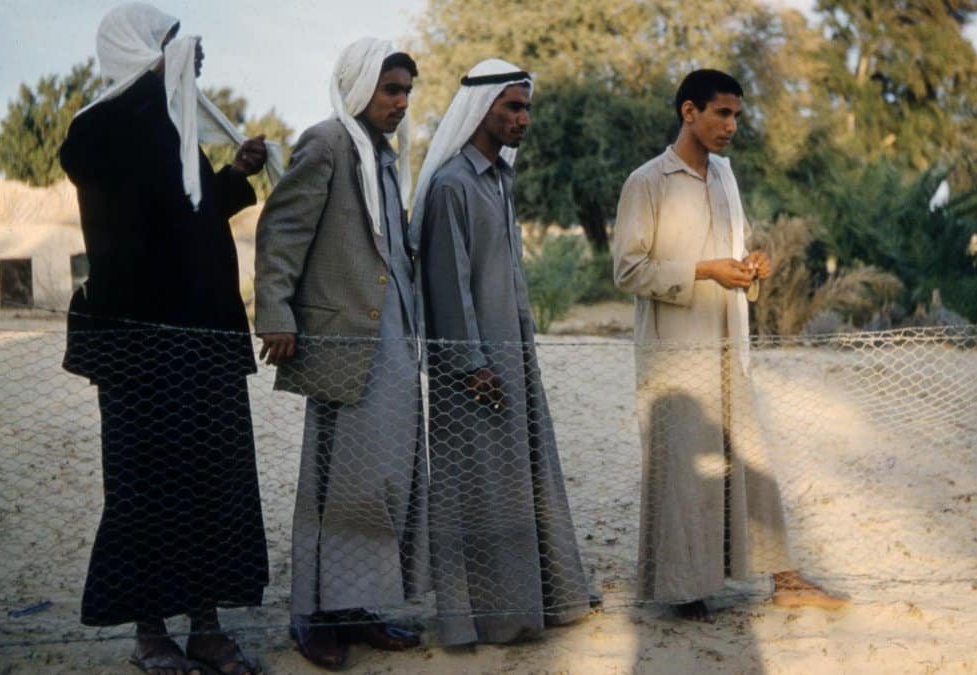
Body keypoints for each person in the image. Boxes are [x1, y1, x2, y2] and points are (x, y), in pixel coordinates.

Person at [60, 4, 269, 673]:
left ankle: (205, 621)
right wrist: (164, 83)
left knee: (214, 481)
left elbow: (196, 218)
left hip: (204, 343)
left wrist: (232, 173)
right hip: (141, 352)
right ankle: (151, 630)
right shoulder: (98, 132)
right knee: (146, 485)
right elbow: (140, 219)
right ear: (139, 51)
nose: (198, 56)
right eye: (179, 46)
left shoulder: (175, 130)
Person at [612, 69, 847, 622]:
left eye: (738, 115)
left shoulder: (725, 177)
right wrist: (703, 271)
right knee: (684, 471)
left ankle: (785, 577)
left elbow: (733, 260)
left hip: (728, 346)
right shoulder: (646, 182)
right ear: (688, 112)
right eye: (722, 113)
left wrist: (750, 268)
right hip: (674, 352)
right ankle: (686, 588)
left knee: (750, 460)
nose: (731, 126)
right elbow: (627, 269)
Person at [254, 38, 425, 669]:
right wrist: (274, 311)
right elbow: (283, 229)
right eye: (390, 90)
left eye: (407, 91)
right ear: (358, 87)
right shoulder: (326, 142)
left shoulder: (383, 155)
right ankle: (315, 618)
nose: (401, 103)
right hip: (343, 344)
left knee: (381, 478)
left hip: (393, 343)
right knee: (335, 484)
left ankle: (360, 609)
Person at [413, 58, 591, 646]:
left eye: (527, 107)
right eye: (512, 107)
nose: (523, 118)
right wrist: (472, 366)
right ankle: (488, 618)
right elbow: (448, 285)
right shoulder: (451, 187)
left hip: (512, 361)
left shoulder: (499, 180)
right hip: (475, 372)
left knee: (524, 478)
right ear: (480, 109)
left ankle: (538, 603)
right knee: (481, 489)